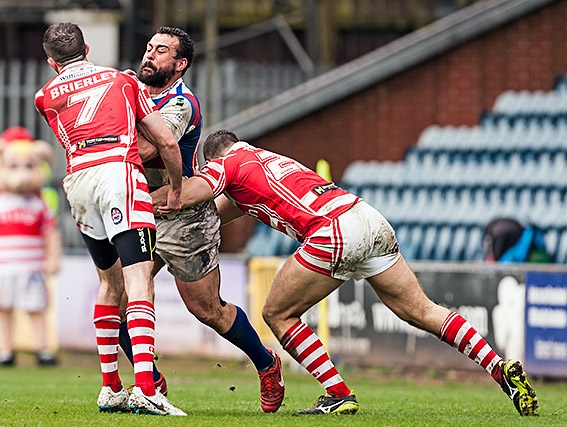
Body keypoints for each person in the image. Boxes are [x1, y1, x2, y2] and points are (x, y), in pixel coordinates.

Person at [151, 129, 539, 417]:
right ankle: (499, 368)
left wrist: (137, 201)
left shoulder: (227, 164)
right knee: (424, 311)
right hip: (367, 217)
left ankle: (337, 393)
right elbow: (222, 210)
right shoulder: (263, 159)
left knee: (277, 314)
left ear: (211, 160)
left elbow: (192, 195)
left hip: (332, 230)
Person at [117, 26, 284, 413]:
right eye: (148, 48)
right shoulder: (130, 92)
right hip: (141, 210)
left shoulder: (181, 103)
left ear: (180, 64)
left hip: (183, 216)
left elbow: (145, 148)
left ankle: (266, 363)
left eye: (161, 51)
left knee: (207, 309)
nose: (149, 55)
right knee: (119, 300)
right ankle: (150, 380)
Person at [34, 22, 185, 416]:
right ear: (87, 46)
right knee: (139, 280)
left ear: (52, 62)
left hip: (79, 182)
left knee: (108, 282)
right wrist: (175, 188)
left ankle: (110, 386)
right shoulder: (122, 80)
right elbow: (167, 141)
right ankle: (147, 387)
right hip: (119, 174)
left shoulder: (44, 95)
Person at [0, 136, 61, 367]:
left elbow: (51, 233)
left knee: (36, 308)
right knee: (3, 310)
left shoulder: (40, 202)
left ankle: (42, 350)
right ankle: (5, 351)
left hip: (32, 267)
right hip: (1, 267)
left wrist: (53, 258)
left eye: (30, 165)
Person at [0, 126, 60, 216]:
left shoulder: (42, 169)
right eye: (14, 166)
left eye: (29, 166)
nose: (23, 176)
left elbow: (48, 200)